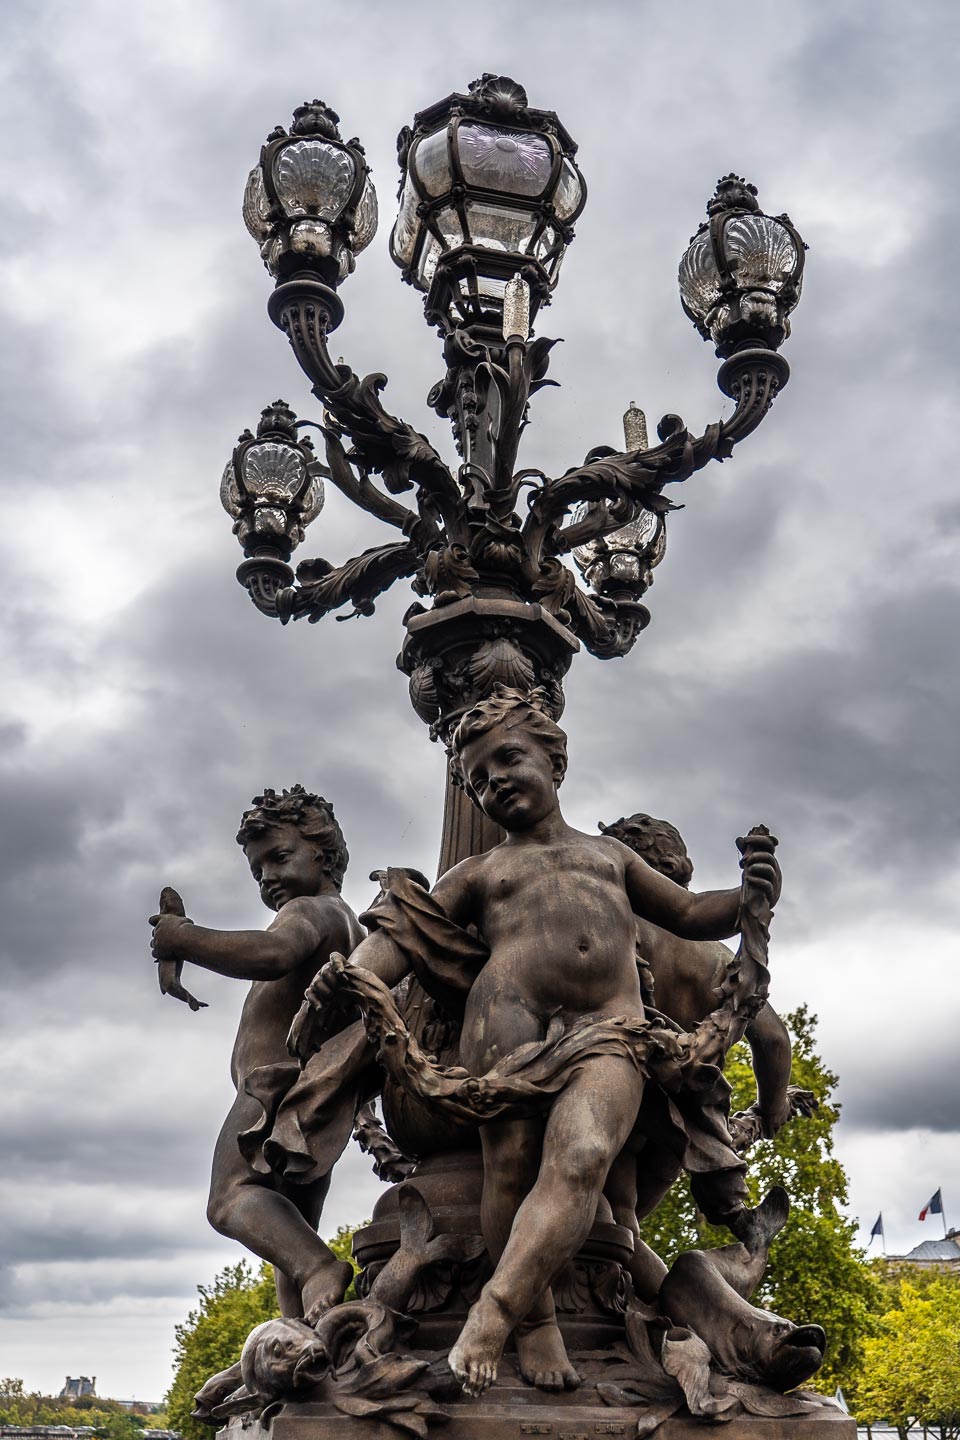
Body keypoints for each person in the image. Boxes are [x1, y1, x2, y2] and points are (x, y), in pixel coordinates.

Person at [295, 688, 780, 1397]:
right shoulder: (484, 871)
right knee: (510, 1170)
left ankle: (493, 1310)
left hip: (612, 1031)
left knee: (583, 1155)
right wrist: (347, 980)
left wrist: (747, 899)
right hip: (507, 1018)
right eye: (479, 779)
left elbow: (686, 911)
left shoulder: (609, 855)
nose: (495, 784)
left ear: (555, 759)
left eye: (509, 760)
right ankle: (537, 1321)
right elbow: (398, 935)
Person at [149, 785, 365, 1323]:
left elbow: (273, 955)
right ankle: (301, 1338)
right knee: (288, 1227)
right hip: (315, 1093)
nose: (267, 875)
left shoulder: (313, 912)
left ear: (325, 854)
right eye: (257, 868)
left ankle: (320, 1268)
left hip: (277, 1089)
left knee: (229, 1198)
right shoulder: (343, 922)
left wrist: (185, 938)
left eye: (280, 857)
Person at [597, 811, 793, 1299]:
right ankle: (689, 1312)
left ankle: (686, 1311)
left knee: (613, 1225)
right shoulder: (711, 958)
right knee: (619, 1228)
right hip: (682, 1124)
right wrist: (772, 1110)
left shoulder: (611, 928)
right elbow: (773, 1040)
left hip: (613, 1097)